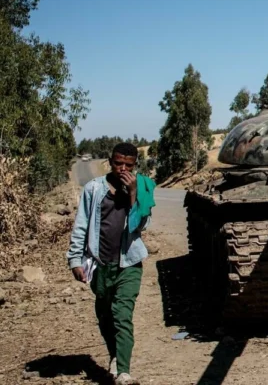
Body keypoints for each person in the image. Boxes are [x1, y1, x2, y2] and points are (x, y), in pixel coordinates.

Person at [66, 142, 155, 385]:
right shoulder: (94, 189)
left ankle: (124, 372)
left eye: (128, 165)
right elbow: (81, 225)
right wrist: (75, 259)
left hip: (129, 263)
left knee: (122, 314)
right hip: (100, 264)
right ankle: (115, 356)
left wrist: (134, 193)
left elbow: (142, 225)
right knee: (104, 315)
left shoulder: (143, 186)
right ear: (110, 162)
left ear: (135, 165)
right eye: (118, 163)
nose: (122, 168)